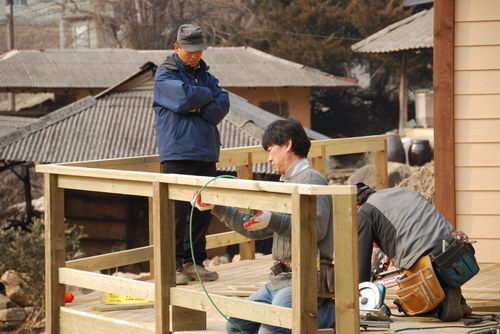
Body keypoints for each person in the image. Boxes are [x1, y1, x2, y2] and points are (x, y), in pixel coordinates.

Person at [193, 118, 335, 334]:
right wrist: (216, 207)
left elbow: (316, 228)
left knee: (269, 332)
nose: (268, 158)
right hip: (279, 281)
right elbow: (257, 228)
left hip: (305, 280)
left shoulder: (312, 180)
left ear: (287, 145)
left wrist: (272, 219)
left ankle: (325, 314)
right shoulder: (285, 184)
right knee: (236, 326)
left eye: (271, 149)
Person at [152, 23, 230, 285]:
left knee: (202, 212)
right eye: (190, 51)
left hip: (206, 153)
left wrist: (201, 104)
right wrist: (204, 98)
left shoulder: (206, 76)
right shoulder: (164, 75)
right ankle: (174, 265)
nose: (195, 55)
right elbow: (184, 99)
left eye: (199, 50)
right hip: (177, 152)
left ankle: (194, 262)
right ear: (177, 47)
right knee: (177, 213)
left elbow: (223, 104)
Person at [356, 183, 476, 321]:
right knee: (435, 261)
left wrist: (362, 294)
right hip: (458, 250)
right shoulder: (404, 191)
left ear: (356, 206)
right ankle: (453, 294)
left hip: (427, 262)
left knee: (413, 306)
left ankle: (443, 308)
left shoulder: (364, 212)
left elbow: (361, 261)